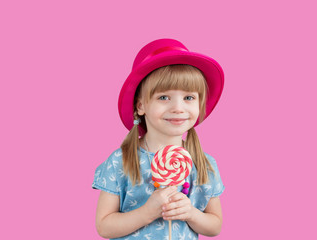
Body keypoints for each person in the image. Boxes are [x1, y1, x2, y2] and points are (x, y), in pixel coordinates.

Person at [92, 38, 225, 240]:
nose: (178, 108)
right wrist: (147, 212)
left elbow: (215, 225)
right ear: (140, 106)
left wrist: (191, 213)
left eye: (189, 98)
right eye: (164, 97)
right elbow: (104, 226)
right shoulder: (122, 160)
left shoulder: (204, 164)